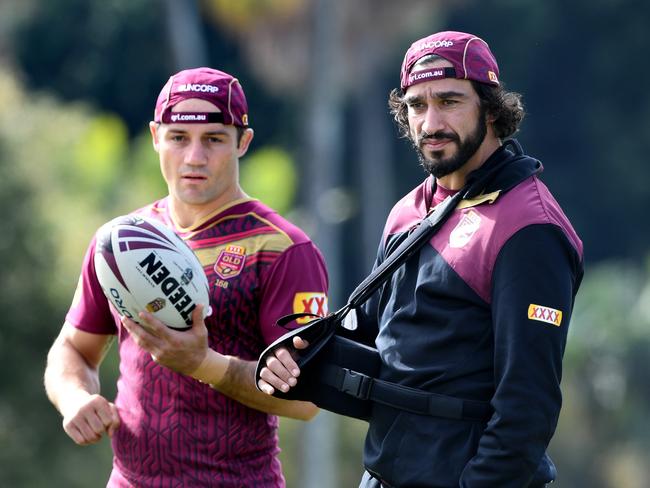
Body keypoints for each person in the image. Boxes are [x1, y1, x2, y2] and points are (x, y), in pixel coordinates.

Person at [258, 31, 584, 487]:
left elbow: (527, 408)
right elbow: (377, 343)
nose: (430, 123)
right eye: (416, 105)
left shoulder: (528, 228)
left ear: (491, 108)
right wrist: (301, 361)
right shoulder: (409, 210)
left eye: (450, 101)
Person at [44, 67, 329, 487]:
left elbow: (308, 399)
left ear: (242, 142)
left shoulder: (283, 249)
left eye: (213, 139)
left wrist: (203, 364)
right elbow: (72, 349)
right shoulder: (119, 245)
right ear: (156, 136)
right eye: (178, 137)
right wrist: (75, 398)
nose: (194, 157)